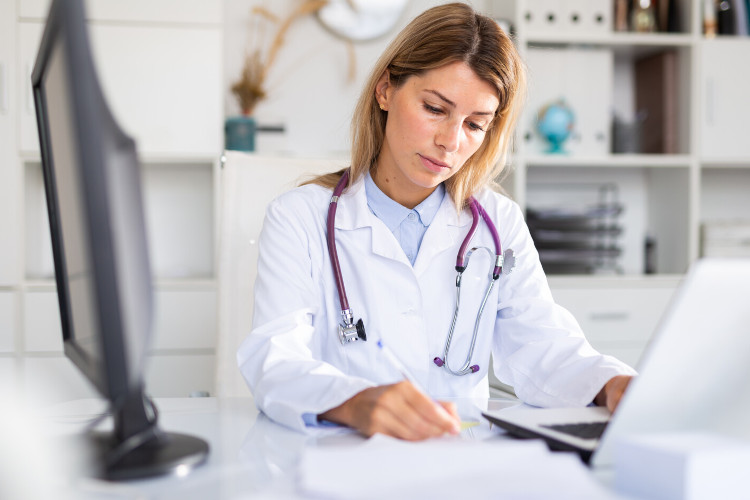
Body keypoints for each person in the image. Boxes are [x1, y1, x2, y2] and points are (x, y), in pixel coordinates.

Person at [238, 2, 636, 441]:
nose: (450, 141)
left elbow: (542, 345)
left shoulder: (497, 222)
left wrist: (610, 384)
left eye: (475, 124)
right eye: (434, 108)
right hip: (344, 456)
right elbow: (274, 358)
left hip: (460, 460)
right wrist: (354, 402)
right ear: (386, 90)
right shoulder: (300, 217)